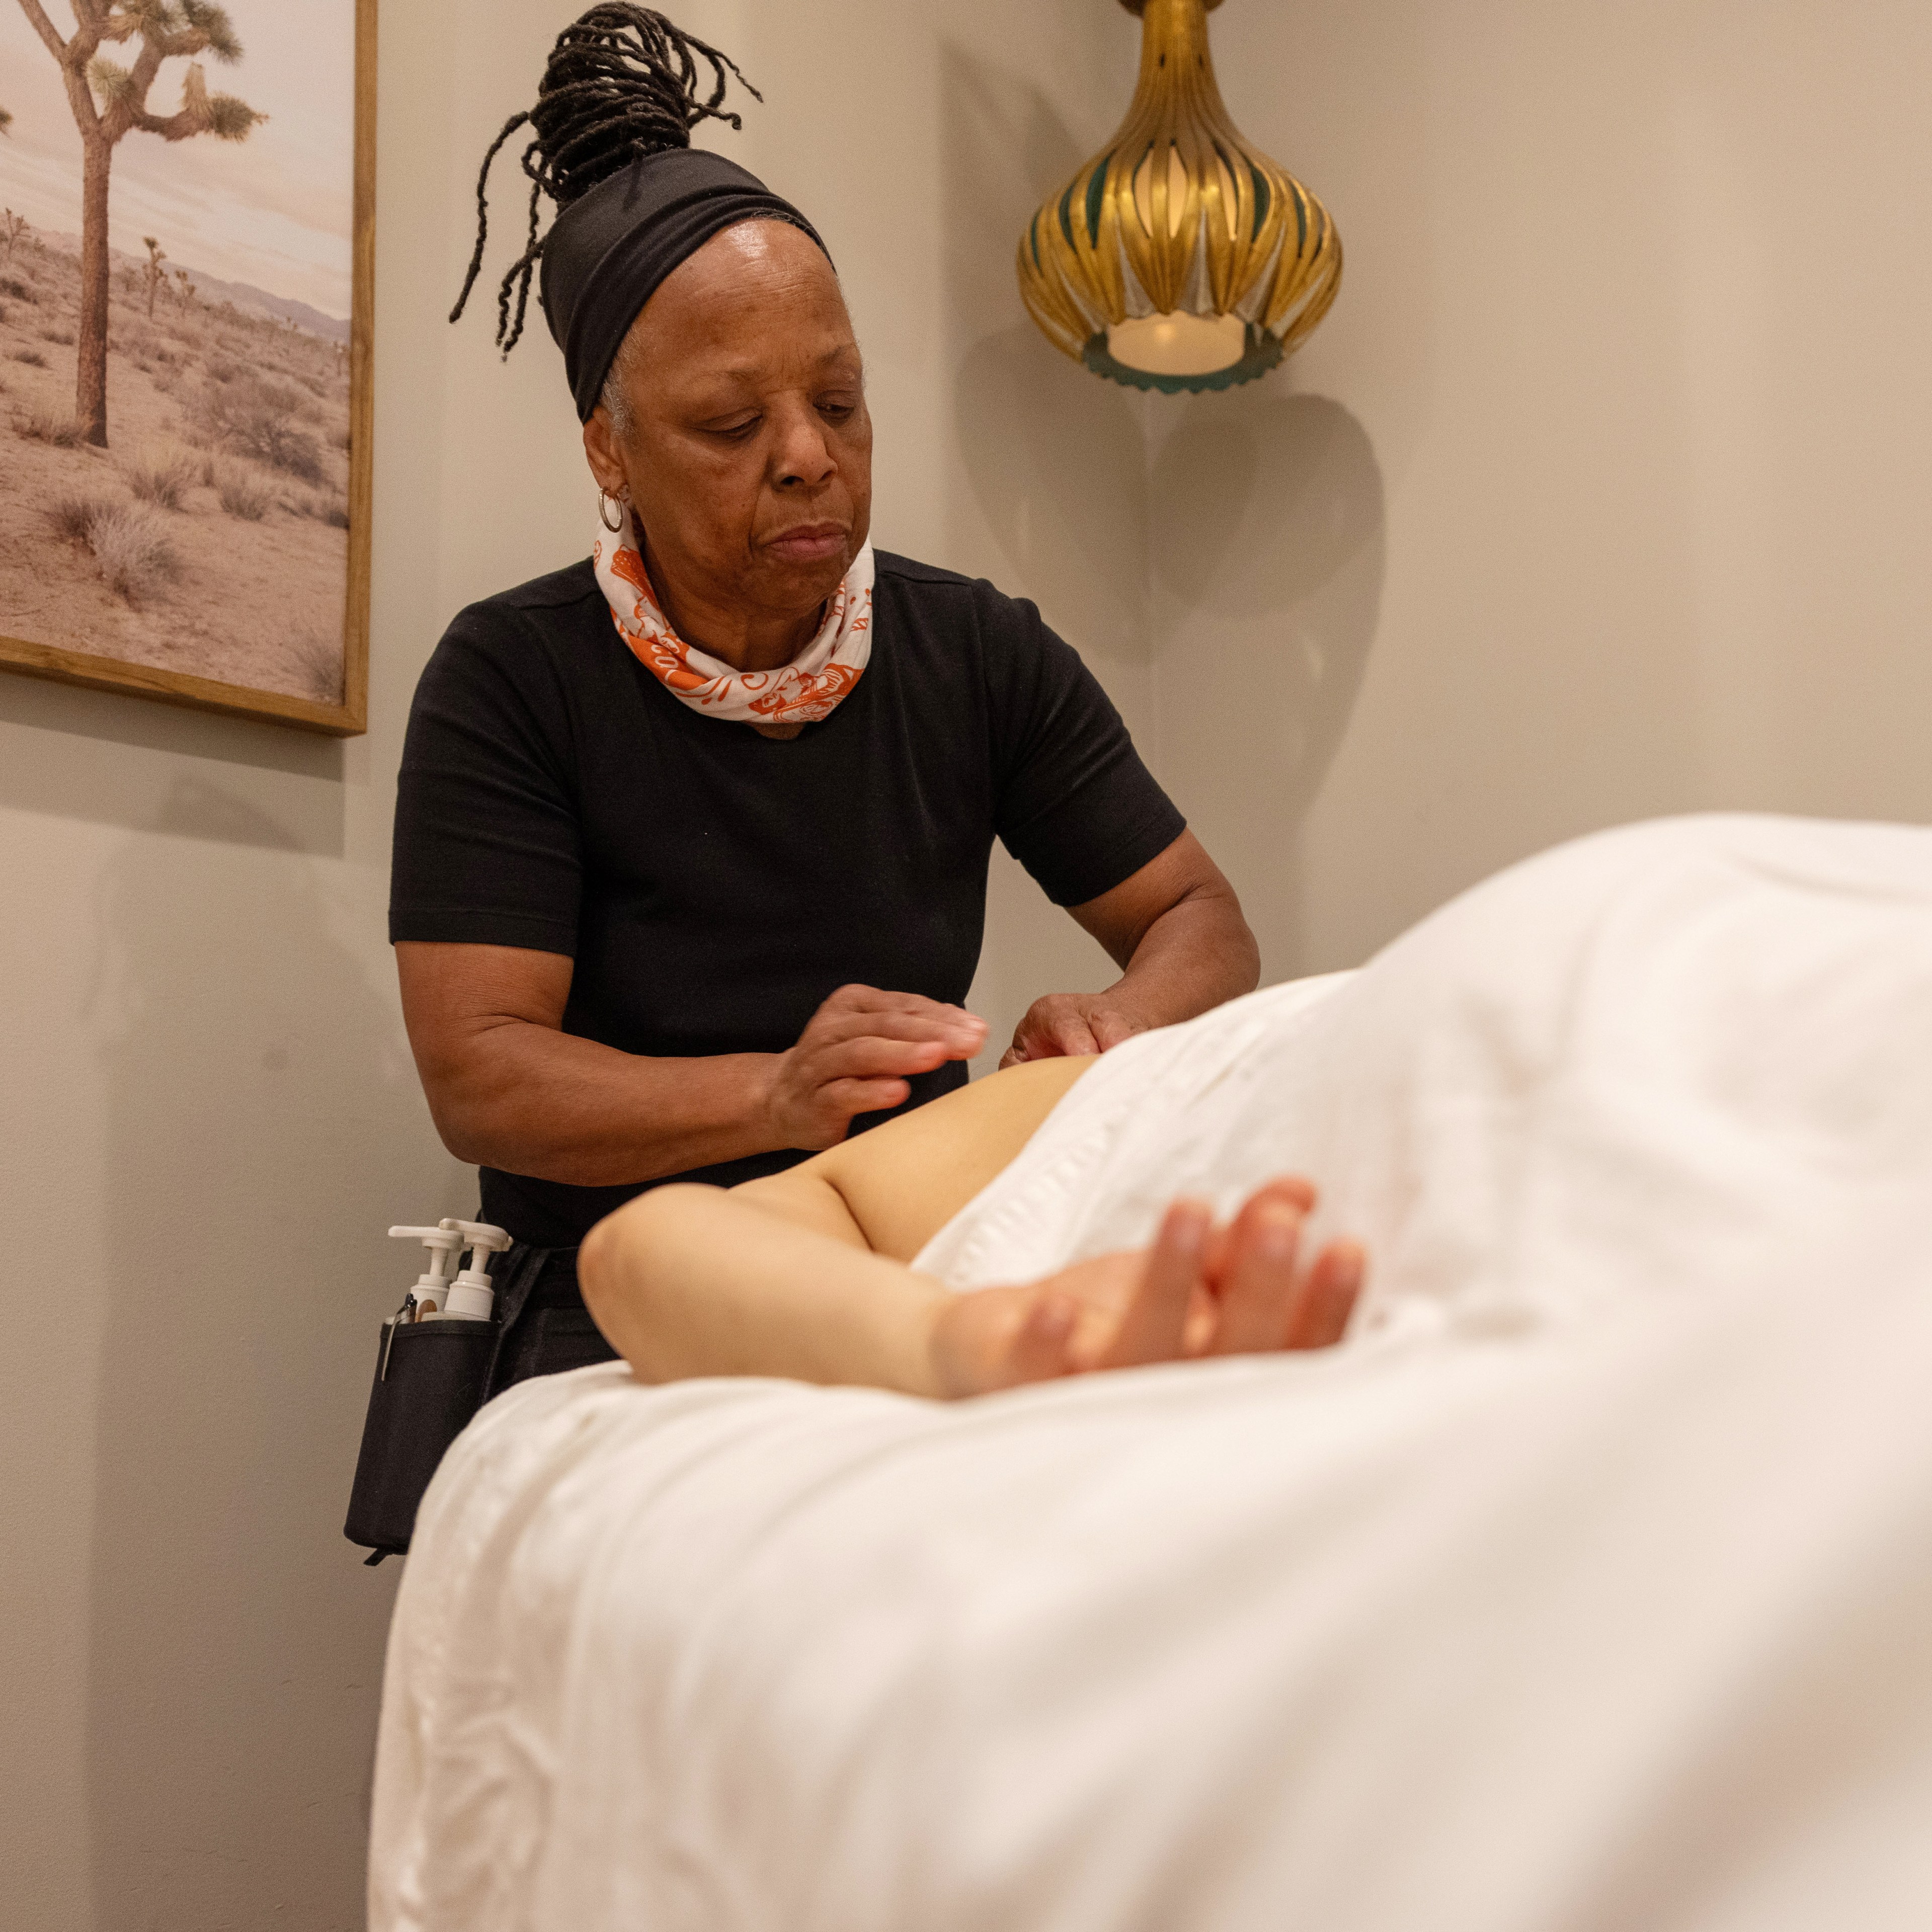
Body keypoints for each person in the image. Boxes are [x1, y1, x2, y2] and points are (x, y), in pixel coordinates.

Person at [391, 6, 1260, 1386]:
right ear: (608, 451)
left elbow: (1197, 918)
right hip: (608, 1311)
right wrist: (776, 1094)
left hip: (913, 1256)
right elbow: (480, 1074)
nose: (808, 457)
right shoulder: (516, 680)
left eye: (841, 403)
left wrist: (1121, 1027)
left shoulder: (976, 652)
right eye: (733, 426)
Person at [580, 1054, 1366, 1398]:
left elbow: (1192, 907)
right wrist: (959, 1340)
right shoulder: (870, 1180)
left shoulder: (1134, 1072)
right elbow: (640, 1250)